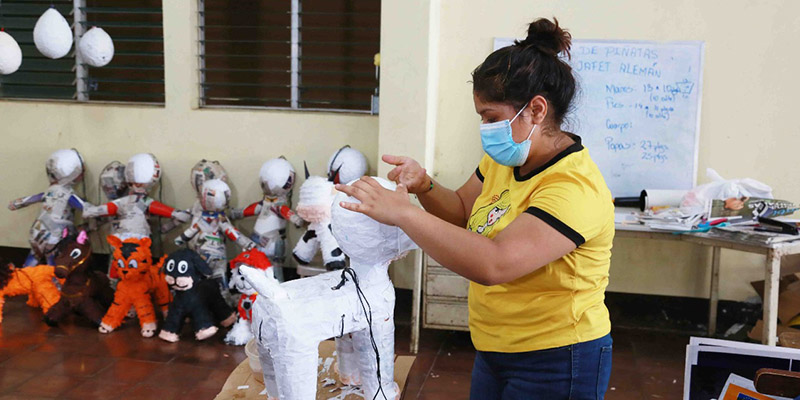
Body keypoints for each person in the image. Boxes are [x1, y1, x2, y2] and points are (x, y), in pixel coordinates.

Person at [336, 17, 615, 400]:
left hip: (556, 356)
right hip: (495, 345)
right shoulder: (506, 159)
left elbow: (494, 263)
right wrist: (424, 185)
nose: (485, 129)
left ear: (536, 110)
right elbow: (465, 211)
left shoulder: (573, 187)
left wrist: (403, 212)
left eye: (491, 118)